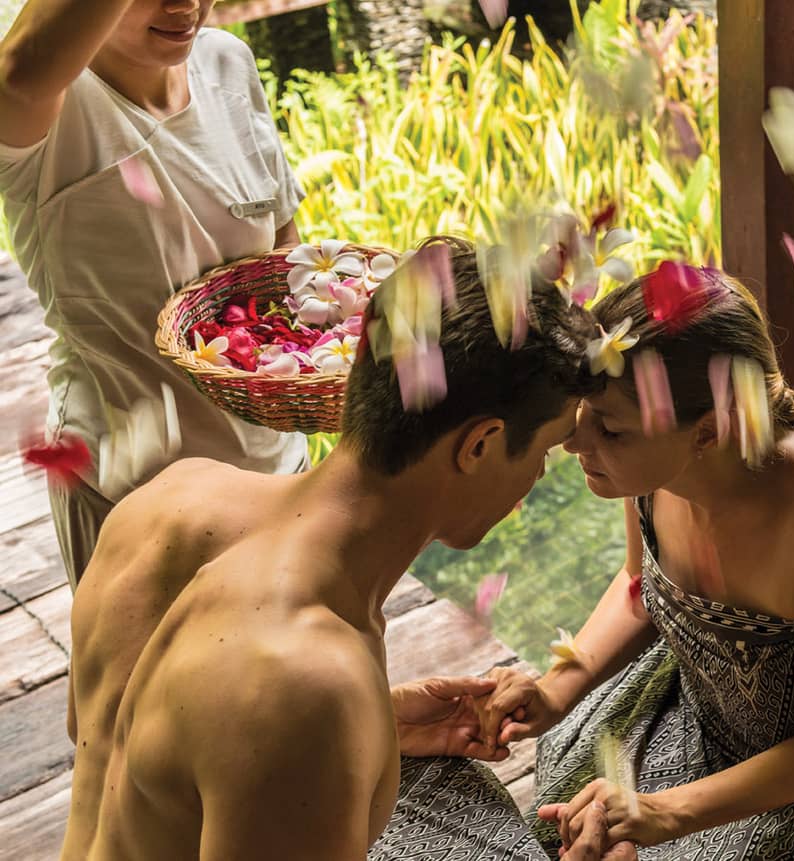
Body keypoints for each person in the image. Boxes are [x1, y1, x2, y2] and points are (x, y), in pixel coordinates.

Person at [63, 238, 631, 860]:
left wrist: (373, 729)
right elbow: (264, 708)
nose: (540, 477)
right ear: (480, 445)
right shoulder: (308, 688)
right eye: (546, 451)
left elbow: (156, 754)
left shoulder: (166, 504)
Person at [481, 268, 794, 858]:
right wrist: (554, 692)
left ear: (709, 431)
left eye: (611, 430)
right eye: (584, 415)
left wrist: (665, 813)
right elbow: (642, 587)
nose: (574, 443)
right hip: (717, 708)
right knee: (571, 789)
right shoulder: (655, 472)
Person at [0, 0, 310, 589]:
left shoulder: (227, 63)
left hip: (279, 480)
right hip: (136, 507)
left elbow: (284, 263)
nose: (185, 4)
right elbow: (18, 74)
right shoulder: (51, 105)